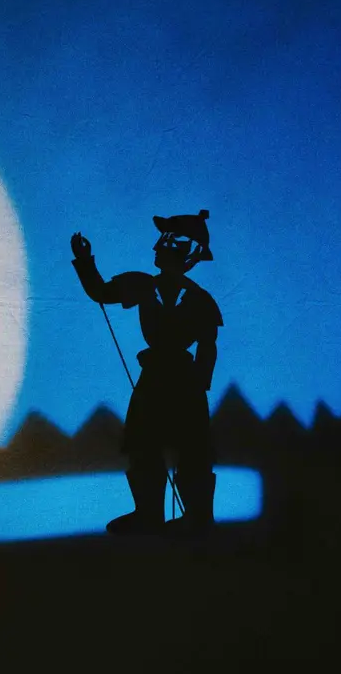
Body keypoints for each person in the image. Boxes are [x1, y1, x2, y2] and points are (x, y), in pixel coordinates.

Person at [71, 209, 222, 537]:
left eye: (167, 242)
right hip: (154, 377)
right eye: (161, 240)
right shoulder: (142, 285)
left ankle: (197, 517)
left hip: (184, 380)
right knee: (143, 445)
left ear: (186, 253)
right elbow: (101, 292)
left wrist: (199, 383)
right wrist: (84, 261)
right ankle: (149, 513)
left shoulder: (200, 300)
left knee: (192, 448)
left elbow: (208, 346)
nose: (157, 247)